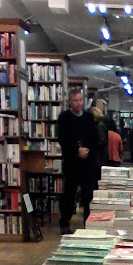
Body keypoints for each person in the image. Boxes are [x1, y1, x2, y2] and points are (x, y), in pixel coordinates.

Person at [57, 87, 98, 234]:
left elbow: (95, 138)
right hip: (71, 162)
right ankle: (65, 222)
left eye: (80, 100)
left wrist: (88, 151)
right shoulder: (64, 118)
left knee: (88, 194)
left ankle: (88, 222)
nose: (79, 103)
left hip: (87, 163)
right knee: (69, 193)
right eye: (75, 100)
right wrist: (76, 150)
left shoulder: (88, 118)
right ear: (70, 102)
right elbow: (62, 139)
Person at [90, 104, 109, 182]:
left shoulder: (98, 126)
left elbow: (102, 141)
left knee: (96, 179)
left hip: (99, 158)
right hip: (101, 157)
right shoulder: (102, 124)